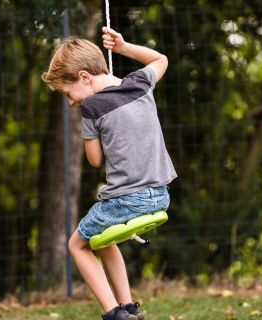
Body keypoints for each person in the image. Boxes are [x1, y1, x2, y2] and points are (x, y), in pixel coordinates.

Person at [41, 27, 177, 320]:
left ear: (84, 77)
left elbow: (94, 160)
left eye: (67, 93)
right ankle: (128, 309)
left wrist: (93, 132)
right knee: (104, 239)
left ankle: (113, 314)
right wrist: (124, 46)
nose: (70, 102)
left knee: (77, 245)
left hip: (127, 200)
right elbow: (161, 60)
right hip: (161, 196)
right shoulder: (139, 83)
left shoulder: (91, 106)